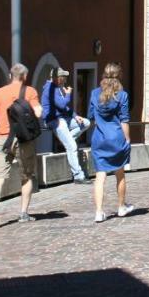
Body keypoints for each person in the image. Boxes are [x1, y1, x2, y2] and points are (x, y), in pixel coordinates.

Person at [0, 63, 42, 228]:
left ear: (10, 76)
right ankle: (23, 213)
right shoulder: (30, 92)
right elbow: (38, 113)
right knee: (27, 176)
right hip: (24, 139)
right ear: (25, 76)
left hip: (4, 138)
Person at [89, 62, 133, 223]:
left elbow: (91, 116)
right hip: (116, 138)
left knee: (100, 176)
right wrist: (127, 139)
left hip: (99, 139)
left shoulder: (94, 94)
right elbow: (124, 120)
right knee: (120, 174)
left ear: (103, 76)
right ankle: (121, 207)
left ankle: (99, 212)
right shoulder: (122, 95)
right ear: (119, 76)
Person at [41, 68, 90, 184]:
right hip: (54, 121)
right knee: (72, 146)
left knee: (86, 123)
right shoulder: (50, 89)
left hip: (63, 119)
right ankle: (78, 176)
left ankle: (67, 139)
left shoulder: (56, 88)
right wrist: (68, 94)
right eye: (62, 77)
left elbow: (64, 108)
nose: (64, 79)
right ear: (56, 78)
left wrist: (75, 115)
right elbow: (62, 104)